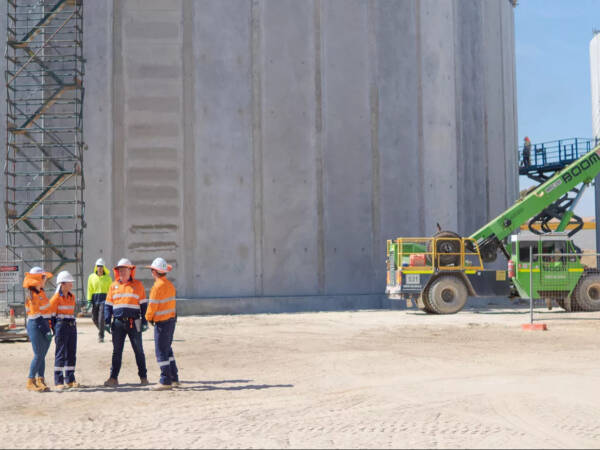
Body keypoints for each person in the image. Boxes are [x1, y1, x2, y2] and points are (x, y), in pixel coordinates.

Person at [103, 258, 149, 387]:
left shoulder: (138, 285)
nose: (121, 272)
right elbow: (108, 305)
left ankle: (143, 377)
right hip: (117, 323)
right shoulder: (113, 286)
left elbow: (144, 305)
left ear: (130, 270)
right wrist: (107, 321)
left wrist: (144, 321)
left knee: (139, 350)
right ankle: (113, 378)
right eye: (119, 270)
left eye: (124, 269)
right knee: (117, 351)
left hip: (135, 322)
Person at [144, 257, 179, 390]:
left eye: (152, 270)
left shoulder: (156, 287)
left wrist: (148, 318)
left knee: (161, 352)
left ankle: (165, 380)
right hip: (171, 321)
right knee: (168, 349)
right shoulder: (170, 285)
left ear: (155, 272)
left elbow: (152, 306)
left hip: (161, 324)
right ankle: (174, 377)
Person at [23, 266, 53, 392]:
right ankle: (30, 381)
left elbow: (46, 311)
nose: (45, 279)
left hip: (44, 325)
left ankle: (40, 379)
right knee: (39, 354)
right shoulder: (32, 295)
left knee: (42, 355)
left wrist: (50, 326)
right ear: (37, 279)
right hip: (37, 325)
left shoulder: (40, 293)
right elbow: (36, 316)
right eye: (43, 277)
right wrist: (46, 330)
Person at [49, 271, 79, 389]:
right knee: (60, 353)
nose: (71, 285)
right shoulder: (55, 298)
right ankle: (58, 381)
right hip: (61, 326)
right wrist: (54, 330)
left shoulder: (72, 297)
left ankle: (70, 379)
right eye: (69, 283)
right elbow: (51, 317)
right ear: (62, 284)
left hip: (71, 326)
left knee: (71, 353)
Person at [86, 258, 112, 343]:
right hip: (95, 299)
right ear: (96, 267)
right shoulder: (91, 277)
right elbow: (89, 289)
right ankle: (103, 328)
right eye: (98, 266)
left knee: (101, 318)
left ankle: (101, 336)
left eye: (101, 266)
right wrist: (89, 300)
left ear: (104, 267)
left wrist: (111, 300)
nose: (99, 268)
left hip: (104, 299)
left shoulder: (108, 278)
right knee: (94, 318)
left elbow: (111, 290)